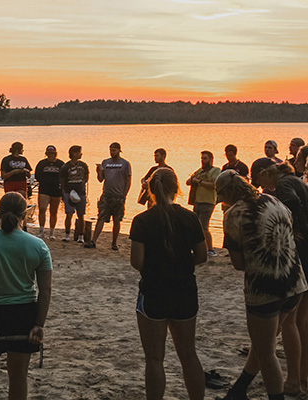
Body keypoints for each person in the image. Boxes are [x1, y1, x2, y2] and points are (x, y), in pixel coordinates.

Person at [217, 170, 308, 400]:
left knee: (267, 352)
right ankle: (238, 391)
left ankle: (277, 395)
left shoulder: (233, 215)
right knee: (262, 342)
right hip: (294, 282)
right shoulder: (275, 201)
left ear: (228, 192)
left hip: (264, 290)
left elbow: (238, 264)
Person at [130, 168, 206, 400]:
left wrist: (156, 267)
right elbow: (202, 256)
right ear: (176, 189)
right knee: (188, 354)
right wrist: (181, 264)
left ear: (150, 190)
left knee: (154, 358)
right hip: (184, 290)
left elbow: (137, 261)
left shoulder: (142, 220)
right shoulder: (189, 217)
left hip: (154, 290)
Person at [0, 192, 52, 400]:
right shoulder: (38, 246)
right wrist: (39, 323)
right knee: (18, 376)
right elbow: (45, 290)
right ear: (25, 214)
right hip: (24, 314)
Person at [260, 162, 308, 395]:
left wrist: (291, 228)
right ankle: (302, 376)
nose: (263, 188)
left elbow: (291, 203)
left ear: (266, 174)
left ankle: (294, 380)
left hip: (302, 253)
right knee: (302, 321)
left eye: (261, 181)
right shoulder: (297, 180)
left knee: (292, 321)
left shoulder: (284, 183)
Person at [86, 142, 131, 250]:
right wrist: (99, 171)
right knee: (101, 217)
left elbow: (128, 180)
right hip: (106, 194)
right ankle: (93, 241)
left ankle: (114, 242)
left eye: (114, 150)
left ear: (119, 151)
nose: (112, 152)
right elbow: (101, 179)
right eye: (110, 150)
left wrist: (124, 194)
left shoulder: (125, 164)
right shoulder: (105, 162)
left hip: (118, 195)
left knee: (117, 219)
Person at [185, 151, 220, 257]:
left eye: (205, 158)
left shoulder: (216, 170)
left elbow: (214, 184)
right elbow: (188, 182)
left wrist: (200, 182)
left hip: (208, 202)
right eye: (202, 158)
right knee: (195, 225)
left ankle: (210, 249)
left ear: (210, 159)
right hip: (197, 201)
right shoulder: (200, 171)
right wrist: (193, 180)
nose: (202, 161)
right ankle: (198, 247)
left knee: (204, 226)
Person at [59, 145, 89, 243]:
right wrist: (63, 194)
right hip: (69, 192)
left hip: (80, 192)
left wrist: (81, 185)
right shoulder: (66, 166)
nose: (81, 154)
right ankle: (67, 234)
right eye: (79, 152)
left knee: (81, 215)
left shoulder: (83, 165)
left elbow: (86, 178)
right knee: (69, 214)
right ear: (73, 153)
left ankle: (81, 236)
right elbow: (62, 181)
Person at [34, 145, 64, 240]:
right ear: (46, 154)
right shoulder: (42, 163)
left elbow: (63, 176)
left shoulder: (60, 164)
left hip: (56, 190)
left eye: (52, 153)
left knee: (53, 211)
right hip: (44, 189)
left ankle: (52, 232)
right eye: (49, 153)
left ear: (55, 153)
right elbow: (37, 175)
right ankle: (41, 231)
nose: (51, 155)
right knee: (42, 209)